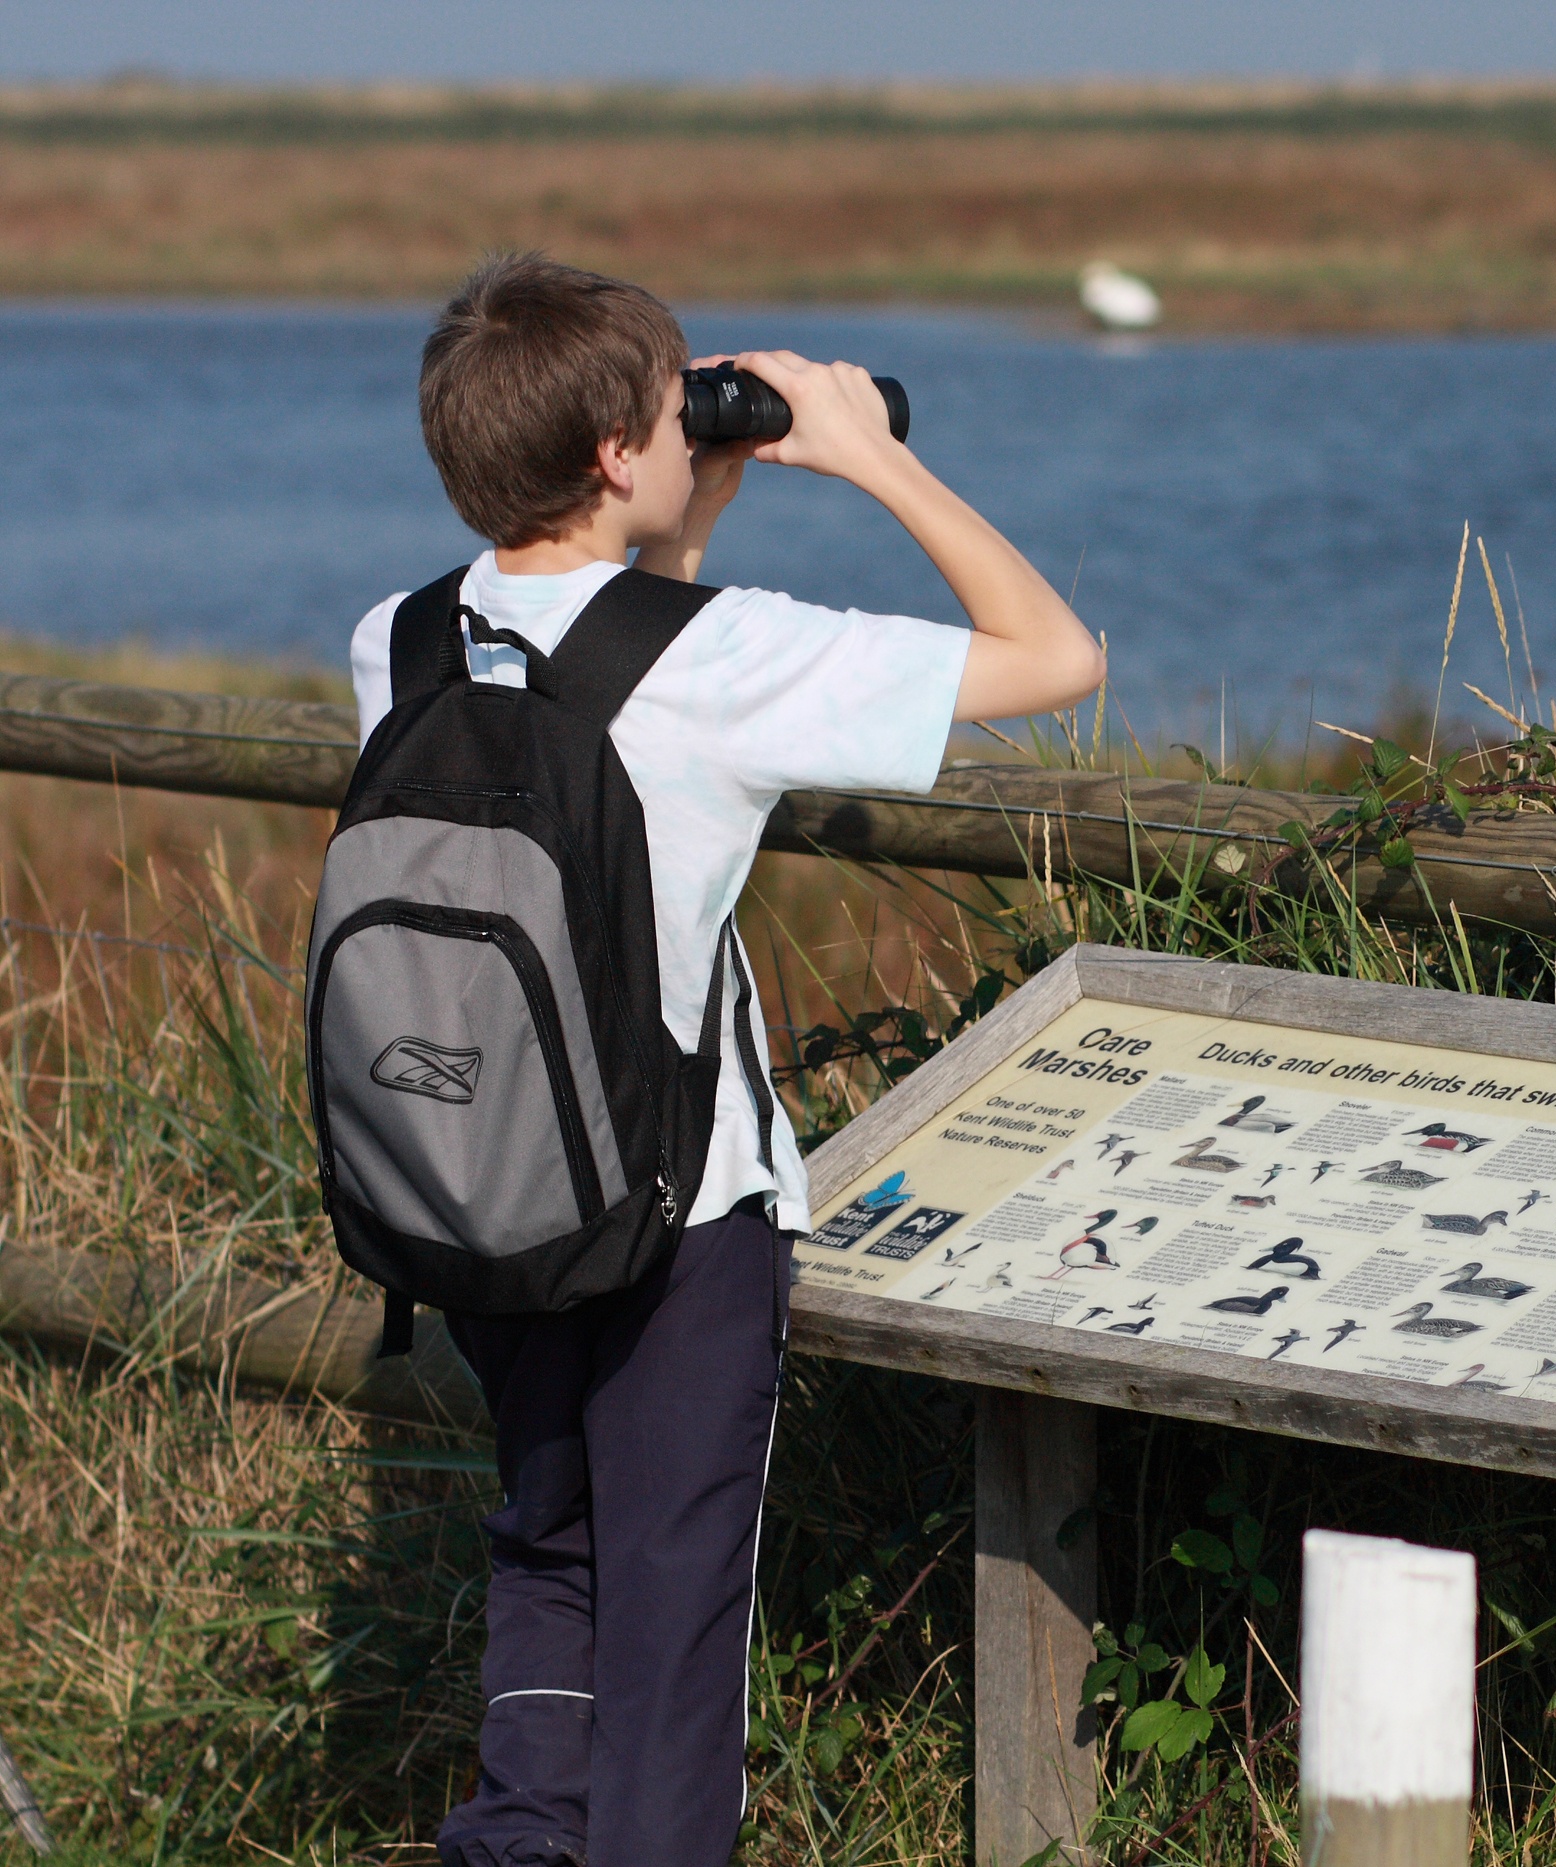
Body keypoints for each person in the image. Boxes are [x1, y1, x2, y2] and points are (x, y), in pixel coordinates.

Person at [349, 253, 1103, 1867]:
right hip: (680, 1229)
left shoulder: (400, 640)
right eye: (666, 406)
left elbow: (607, 637)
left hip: (482, 1191)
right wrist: (867, 452)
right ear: (622, 451)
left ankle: (518, 1847)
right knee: (678, 1617)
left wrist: (692, 481)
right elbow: (1054, 657)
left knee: (549, 1553)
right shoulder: (728, 657)